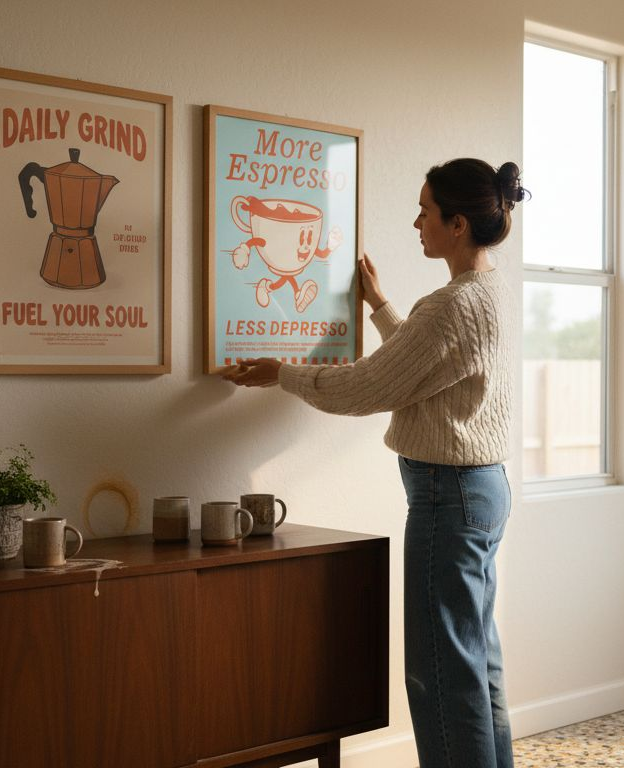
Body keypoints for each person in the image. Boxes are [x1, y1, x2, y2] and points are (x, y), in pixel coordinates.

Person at [223, 157, 528, 768]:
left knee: (440, 671)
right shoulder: (488, 292)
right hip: (481, 492)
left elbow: (366, 389)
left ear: (458, 223)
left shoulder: (451, 307)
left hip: (449, 499)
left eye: (425, 211)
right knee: (474, 663)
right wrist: (383, 305)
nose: (416, 222)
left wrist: (281, 373)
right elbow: (427, 368)